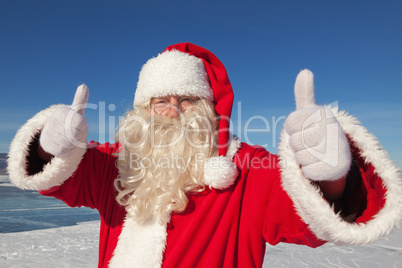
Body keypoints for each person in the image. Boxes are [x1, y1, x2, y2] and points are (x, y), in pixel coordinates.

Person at [7, 42, 402, 268]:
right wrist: (51, 144)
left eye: (187, 100)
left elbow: (309, 220)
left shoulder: (247, 168)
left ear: (211, 109)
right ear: (142, 110)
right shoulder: (116, 164)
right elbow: (60, 177)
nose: (173, 111)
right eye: (160, 101)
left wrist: (331, 175)